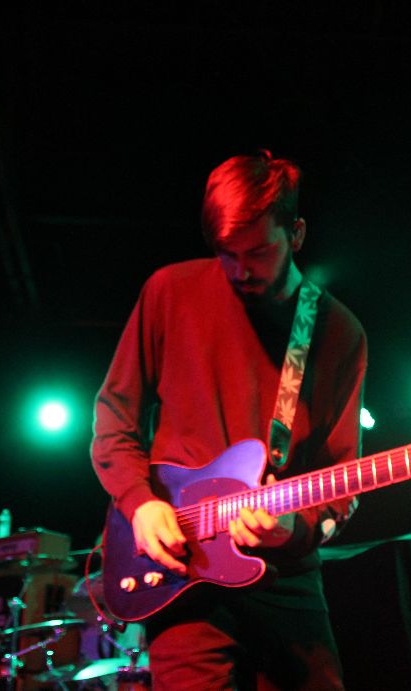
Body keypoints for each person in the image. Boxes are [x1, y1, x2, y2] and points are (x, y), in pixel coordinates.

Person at [91, 151, 367, 689]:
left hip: (284, 578)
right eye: (226, 254)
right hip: (183, 568)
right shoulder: (169, 292)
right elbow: (114, 417)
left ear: (297, 234)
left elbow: (343, 479)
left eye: (259, 252)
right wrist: (140, 503)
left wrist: (293, 529)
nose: (241, 271)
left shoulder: (338, 332)